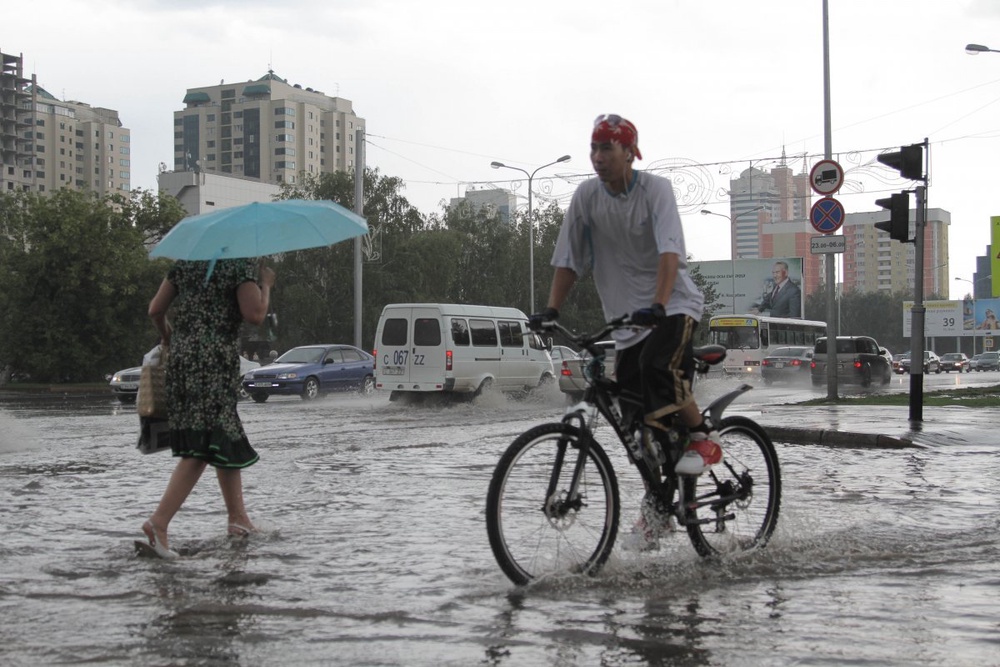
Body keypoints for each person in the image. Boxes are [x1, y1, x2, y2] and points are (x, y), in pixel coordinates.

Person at [530, 114, 719, 547]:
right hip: (627, 322)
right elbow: (567, 260)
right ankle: (658, 511)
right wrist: (550, 310)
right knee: (639, 426)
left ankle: (704, 437)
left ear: (630, 153)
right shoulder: (586, 197)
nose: (598, 158)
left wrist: (658, 303)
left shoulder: (656, 191)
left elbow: (671, 251)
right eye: (594, 148)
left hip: (673, 305)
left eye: (607, 149)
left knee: (658, 369)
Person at [140, 258, 275, 559]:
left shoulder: (184, 266)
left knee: (223, 436)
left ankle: (238, 519)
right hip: (213, 365)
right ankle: (158, 524)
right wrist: (265, 283)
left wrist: (166, 335)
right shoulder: (237, 268)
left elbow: (155, 310)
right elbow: (254, 314)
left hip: (182, 362)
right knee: (201, 447)